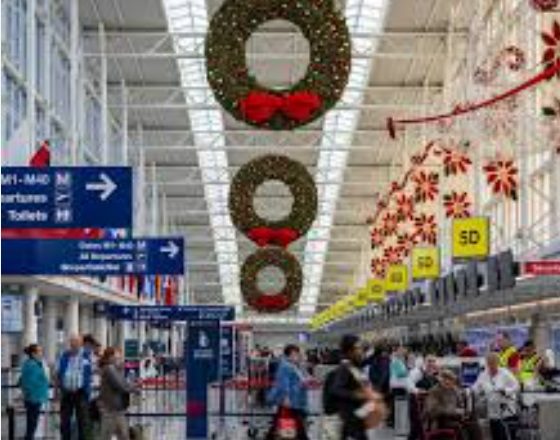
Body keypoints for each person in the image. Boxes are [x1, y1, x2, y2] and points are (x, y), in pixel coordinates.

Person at [330, 335, 387, 440]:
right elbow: (336, 390)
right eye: (358, 348)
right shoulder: (345, 368)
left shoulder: (355, 365)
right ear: (350, 351)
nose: (361, 351)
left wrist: (377, 349)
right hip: (351, 416)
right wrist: (357, 395)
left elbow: (368, 360)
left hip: (357, 416)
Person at [472, 353, 520, 440]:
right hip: (492, 411)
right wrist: (471, 391)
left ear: (498, 362)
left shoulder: (505, 373)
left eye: (493, 362)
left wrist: (505, 391)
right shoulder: (483, 375)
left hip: (506, 410)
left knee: (506, 435)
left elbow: (516, 386)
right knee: (495, 435)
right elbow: (476, 387)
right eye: (489, 363)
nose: (491, 365)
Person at [424, 369, 482, 440]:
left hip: (454, 418)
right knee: (459, 428)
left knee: (473, 424)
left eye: (450, 380)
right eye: (445, 379)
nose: (447, 381)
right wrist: (453, 411)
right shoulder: (434, 391)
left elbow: (460, 405)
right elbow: (433, 411)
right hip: (439, 421)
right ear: (440, 380)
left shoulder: (454, 390)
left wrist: (463, 412)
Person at [267, 344, 309, 440]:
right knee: (298, 422)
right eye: (295, 354)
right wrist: (286, 398)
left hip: (295, 399)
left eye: (298, 354)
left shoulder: (293, 366)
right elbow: (283, 383)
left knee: (279, 420)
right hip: (292, 400)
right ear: (289, 355)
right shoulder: (286, 366)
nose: (297, 356)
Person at [56, 335, 93, 440]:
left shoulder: (87, 356)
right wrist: (57, 390)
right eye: (72, 343)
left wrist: (87, 387)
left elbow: (92, 371)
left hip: (81, 392)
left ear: (80, 344)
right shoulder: (64, 355)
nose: (74, 345)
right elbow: (58, 373)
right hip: (66, 392)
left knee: (82, 419)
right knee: (65, 420)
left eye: (76, 342)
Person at [98, 347, 137, 440]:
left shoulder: (115, 369)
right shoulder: (109, 368)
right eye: (117, 357)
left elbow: (123, 383)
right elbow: (120, 385)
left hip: (116, 408)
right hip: (111, 409)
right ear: (110, 357)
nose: (119, 359)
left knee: (122, 434)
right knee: (109, 435)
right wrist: (133, 389)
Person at [20, 344, 50, 440]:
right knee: (32, 425)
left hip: (35, 397)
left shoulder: (33, 364)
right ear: (33, 354)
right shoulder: (32, 365)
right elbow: (30, 382)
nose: (41, 353)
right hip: (34, 398)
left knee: (32, 424)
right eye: (39, 351)